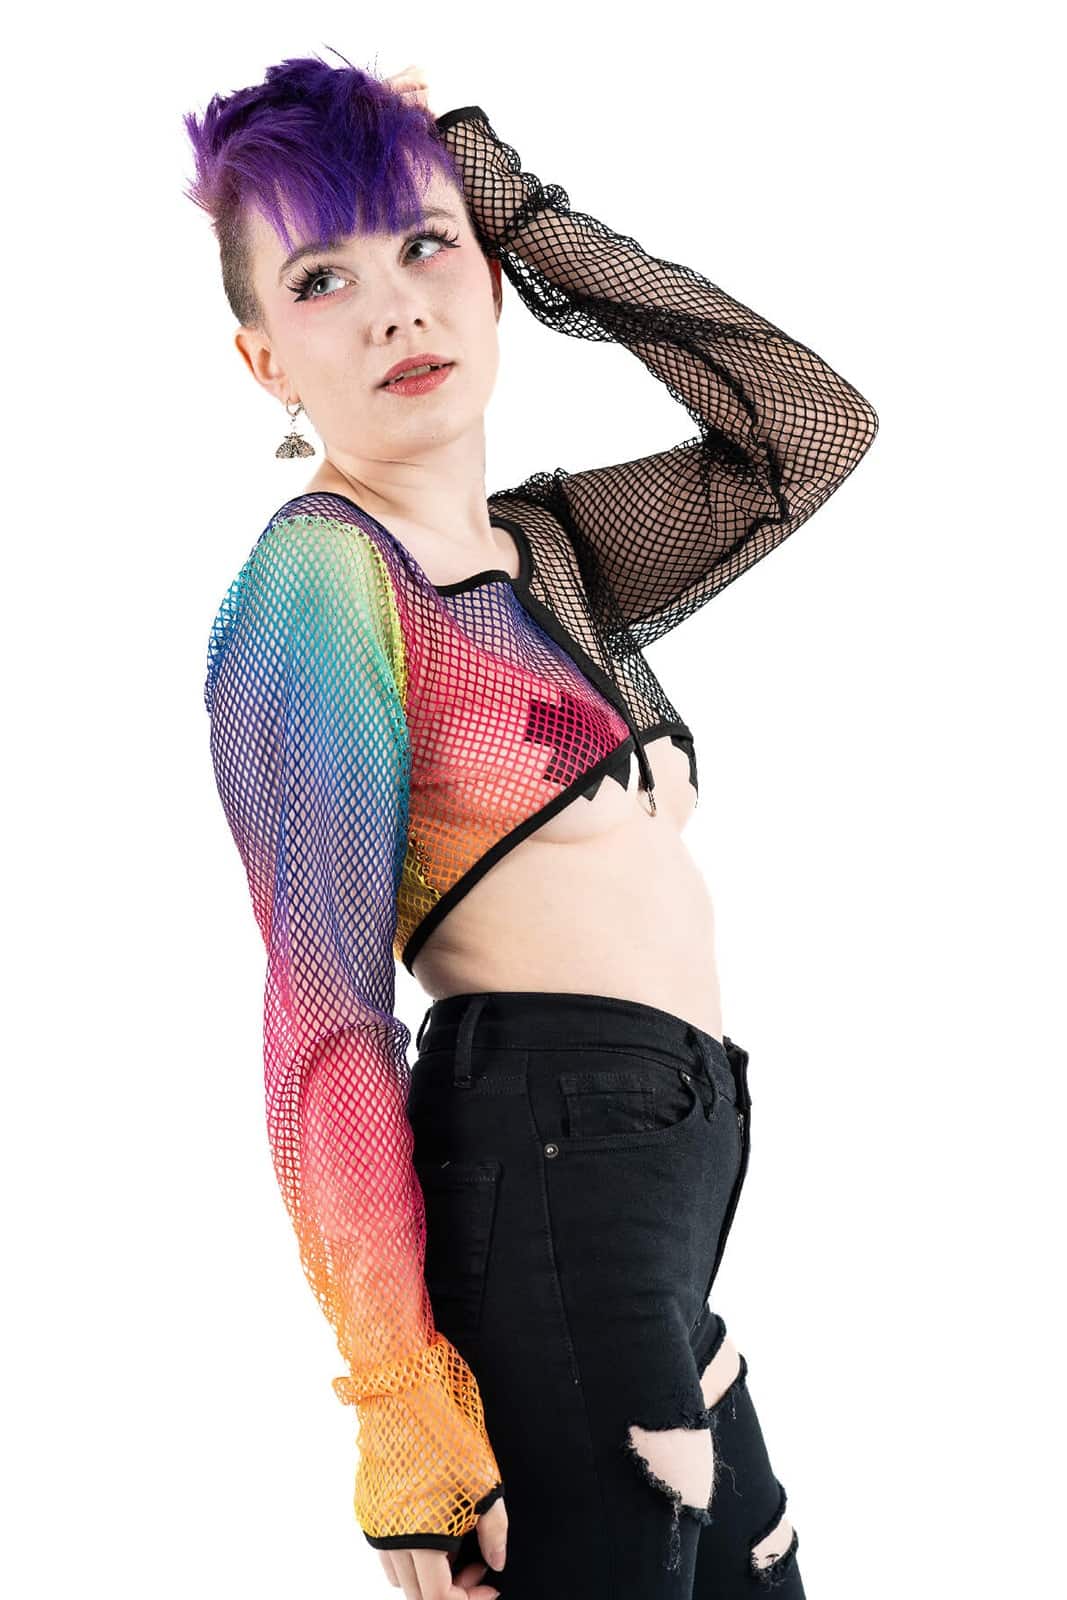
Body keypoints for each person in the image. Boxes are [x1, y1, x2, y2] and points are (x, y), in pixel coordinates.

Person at [185, 51, 877, 1600]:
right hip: (554, 1164)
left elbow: (808, 430)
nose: (395, 310)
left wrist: (504, 191)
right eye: (322, 278)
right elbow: (321, 1016)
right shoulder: (323, 579)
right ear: (263, 359)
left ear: (492, 278)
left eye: (427, 246)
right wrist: (401, 1415)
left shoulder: (547, 550)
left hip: (658, 1197)